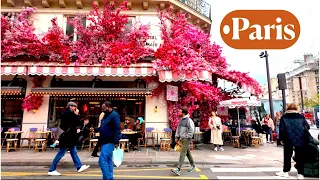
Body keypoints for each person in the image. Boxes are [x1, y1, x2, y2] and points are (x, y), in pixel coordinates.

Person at [48, 102, 90, 176]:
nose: (75, 108)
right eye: (74, 106)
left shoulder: (69, 113)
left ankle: (79, 166)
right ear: (70, 106)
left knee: (73, 152)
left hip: (69, 138)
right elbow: (75, 121)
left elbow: (75, 123)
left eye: (75, 107)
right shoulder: (67, 113)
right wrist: (76, 115)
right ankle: (52, 169)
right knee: (61, 153)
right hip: (66, 138)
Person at [276, 103, 310, 179]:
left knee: (287, 155)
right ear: (296, 108)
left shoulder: (284, 117)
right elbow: (307, 126)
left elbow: (282, 129)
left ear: (288, 108)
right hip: (300, 138)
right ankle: (300, 174)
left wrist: (281, 139)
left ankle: (286, 172)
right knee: (300, 156)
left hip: (288, 139)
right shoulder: (301, 116)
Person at [94, 101, 121, 180]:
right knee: (108, 160)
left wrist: (116, 141)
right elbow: (103, 127)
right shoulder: (106, 116)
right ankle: (110, 177)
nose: (102, 109)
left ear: (109, 106)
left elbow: (117, 128)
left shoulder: (114, 115)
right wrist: (96, 129)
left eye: (104, 108)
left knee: (102, 161)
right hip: (105, 140)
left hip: (110, 141)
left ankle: (107, 178)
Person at [171, 108, 196, 176]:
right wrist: (176, 137)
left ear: (183, 113)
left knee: (183, 152)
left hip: (186, 139)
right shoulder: (181, 120)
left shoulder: (189, 120)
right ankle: (193, 165)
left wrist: (186, 136)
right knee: (187, 152)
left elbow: (192, 130)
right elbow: (178, 129)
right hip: (182, 138)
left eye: (180, 111)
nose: (178, 112)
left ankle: (178, 169)